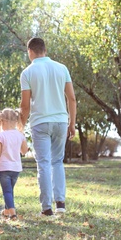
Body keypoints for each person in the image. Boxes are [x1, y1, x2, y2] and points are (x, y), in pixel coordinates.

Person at [19, 37, 76, 216]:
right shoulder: (62, 68)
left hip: (40, 122)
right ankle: (60, 204)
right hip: (60, 121)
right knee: (57, 161)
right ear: (44, 49)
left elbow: (25, 105)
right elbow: (72, 98)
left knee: (43, 163)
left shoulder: (27, 73)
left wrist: (20, 125)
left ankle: (46, 208)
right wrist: (72, 123)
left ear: (30, 51)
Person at [0, 108, 28, 220]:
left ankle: (12, 213)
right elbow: (24, 151)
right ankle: (7, 210)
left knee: (7, 191)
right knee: (10, 191)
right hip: (16, 168)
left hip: (4, 168)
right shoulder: (20, 135)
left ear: (2, 121)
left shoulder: (0, 136)